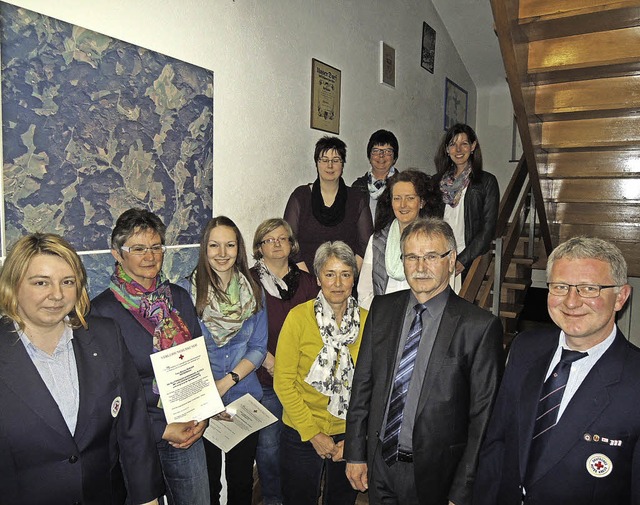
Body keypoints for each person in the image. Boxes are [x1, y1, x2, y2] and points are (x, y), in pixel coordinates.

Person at [345, 218, 504, 505]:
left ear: (451, 259)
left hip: (436, 476)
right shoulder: (382, 310)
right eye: (412, 257)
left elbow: (483, 418)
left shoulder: (479, 327)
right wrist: (356, 453)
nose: (420, 267)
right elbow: (362, 387)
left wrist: (462, 489)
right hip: (380, 463)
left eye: (431, 256)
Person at [0, 233, 164, 505]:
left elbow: (133, 428)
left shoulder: (106, 336)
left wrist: (148, 499)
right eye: (41, 282)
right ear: (13, 285)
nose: (57, 294)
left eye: (68, 282)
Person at [473, 237, 639, 505]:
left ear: (620, 297)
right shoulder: (525, 347)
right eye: (560, 286)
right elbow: (498, 442)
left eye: (589, 288)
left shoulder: (635, 379)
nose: (571, 302)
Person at [91, 208, 209, 505]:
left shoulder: (179, 298)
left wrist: (203, 415)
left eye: (156, 247)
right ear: (117, 253)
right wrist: (161, 429)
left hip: (187, 428)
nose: (150, 256)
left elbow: (198, 361)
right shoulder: (101, 313)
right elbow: (104, 395)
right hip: (134, 438)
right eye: (138, 248)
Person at [178, 216, 267, 505]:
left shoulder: (254, 290)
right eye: (214, 245)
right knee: (208, 487)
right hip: (201, 404)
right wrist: (208, 396)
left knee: (241, 483)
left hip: (243, 400)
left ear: (238, 249)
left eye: (229, 245)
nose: (222, 253)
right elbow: (183, 353)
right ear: (204, 249)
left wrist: (225, 385)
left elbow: (258, 347)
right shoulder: (186, 293)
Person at [274, 241, 368, 505]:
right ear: (318, 279)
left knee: (341, 500)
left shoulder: (369, 320)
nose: (337, 283)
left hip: (349, 434)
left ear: (353, 279)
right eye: (329, 274)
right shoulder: (298, 318)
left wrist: (354, 440)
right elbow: (283, 382)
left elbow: (373, 384)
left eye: (345, 274)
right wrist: (313, 433)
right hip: (301, 430)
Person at [250, 218, 320, 505]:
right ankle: (273, 499)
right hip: (266, 378)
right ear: (259, 247)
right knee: (268, 448)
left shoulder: (307, 282)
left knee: (298, 444)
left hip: (301, 380)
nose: (277, 244)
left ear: (292, 244)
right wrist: (270, 362)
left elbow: (318, 328)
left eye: (283, 238)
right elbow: (242, 328)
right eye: (270, 239)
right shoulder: (249, 281)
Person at [284, 135, 373, 272]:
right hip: (306, 279)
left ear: (342, 164)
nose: (330, 165)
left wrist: (348, 277)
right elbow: (289, 242)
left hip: (345, 280)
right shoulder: (300, 197)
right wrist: (309, 281)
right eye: (324, 160)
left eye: (336, 160)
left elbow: (365, 245)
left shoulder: (357, 199)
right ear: (316, 163)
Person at [358, 170, 443, 309]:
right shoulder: (377, 241)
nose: (403, 205)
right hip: (385, 318)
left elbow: (445, 289)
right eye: (397, 198)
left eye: (410, 198)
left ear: (421, 202)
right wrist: (383, 316)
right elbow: (364, 292)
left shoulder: (436, 241)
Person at [434, 123, 499, 292]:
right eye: (453, 144)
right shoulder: (436, 182)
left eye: (464, 143)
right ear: (447, 150)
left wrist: (463, 260)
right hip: (438, 255)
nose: (458, 149)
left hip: (466, 257)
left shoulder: (487, 182)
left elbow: (488, 228)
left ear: (473, 146)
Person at [352, 129, 401, 221]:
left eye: (387, 151)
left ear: (395, 158)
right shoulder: (358, 186)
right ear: (369, 156)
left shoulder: (403, 185)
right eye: (376, 151)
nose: (381, 155)